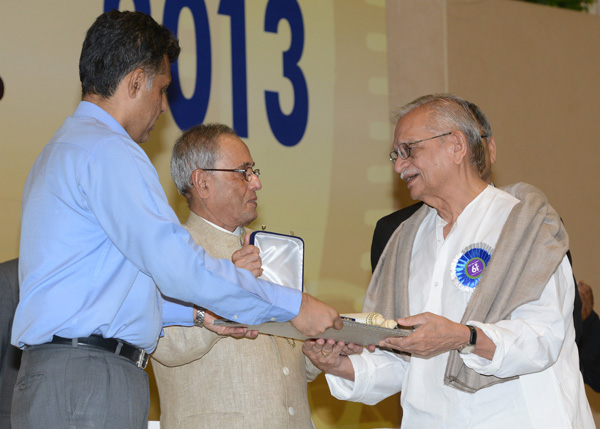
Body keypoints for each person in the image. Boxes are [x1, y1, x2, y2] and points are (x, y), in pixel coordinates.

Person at [10, 10, 341, 429]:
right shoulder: (110, 152)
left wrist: (200, 316)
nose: (164, 107)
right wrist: (293, 304)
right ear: (134, 82)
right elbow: (177, 268)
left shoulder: (62, 150)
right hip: (89, 381)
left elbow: (106, 288)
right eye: (162, 89)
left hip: (65, 376)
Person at [303, 94, 594, 427]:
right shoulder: (403, 241)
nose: (399, 166)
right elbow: (402, 360)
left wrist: (464, 336)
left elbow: (542, 338)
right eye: (395, 155)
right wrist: (339, 365)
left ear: (456, 146)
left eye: (409, 150)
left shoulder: (523, 223)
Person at [151, 123, 321, 428]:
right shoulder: (169, 251)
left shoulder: (275, 252)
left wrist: (320, 351)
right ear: (202, 182)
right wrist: (230, 287)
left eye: (254, 171)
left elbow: (297, 366)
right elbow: (164, 344)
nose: (256, 183)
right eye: (243, 172)